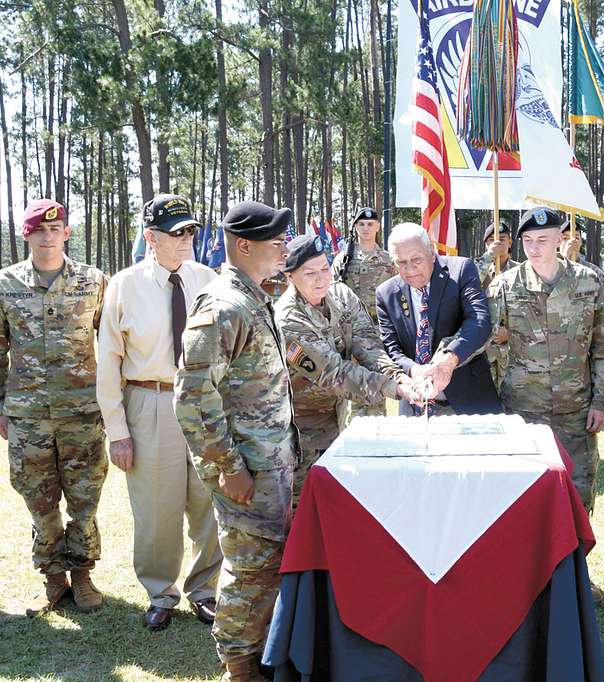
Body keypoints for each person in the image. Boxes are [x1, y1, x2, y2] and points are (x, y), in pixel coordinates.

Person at [173, 201, 299, 679]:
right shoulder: (224, 305)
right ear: (244, 246)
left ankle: (258, 657)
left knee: (265, 566)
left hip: (268, 464)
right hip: (246, 469)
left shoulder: (254, 295)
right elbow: (191, 398)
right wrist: (229, 466)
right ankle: (238, 667)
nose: (285, 248)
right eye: (277, 241)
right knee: (249, 570)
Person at [97, 194, 222, 632]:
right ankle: (160, 592)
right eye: (176, 232)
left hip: (204, 403)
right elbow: (108, 361)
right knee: (156, 508)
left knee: (208, 501)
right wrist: (118, 431)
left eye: (190, 230)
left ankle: (205, 591)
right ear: (150, 238)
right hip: (149, 401)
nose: (187, 238)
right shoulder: (124, 285)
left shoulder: (208, 279)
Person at [0, 199, 108, 617]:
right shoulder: (6, 284)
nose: (48, 237)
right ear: (26, 234)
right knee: (38, 499)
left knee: (85, 499)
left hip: (82, 412)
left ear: (67, 233)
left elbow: (114, 343)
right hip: (28, 415)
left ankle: (82, 574)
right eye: (38, 230)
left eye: (56, 229)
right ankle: (53, 578)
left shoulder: (93, 281)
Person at [489, 207, 604, 513]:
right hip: (524, 413)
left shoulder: (589, 282)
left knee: (578, 499)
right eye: (528, 240)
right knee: (526, 501)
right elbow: (486, 344)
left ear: (560, 239)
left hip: (576, 412)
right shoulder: (506, 285)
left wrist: (601, 402)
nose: (534, 248)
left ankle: (576, 562)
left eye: (542, 239)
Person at [275, 233, 416, 504]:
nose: (321, 279)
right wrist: (394, 389)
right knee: (300, 514)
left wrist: (398, 375)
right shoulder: (288, 319)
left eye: (325, 269)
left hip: (334, 425)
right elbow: (334, 374)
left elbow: (368, 343)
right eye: (310, 273)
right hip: (297, 439)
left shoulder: (341, 295)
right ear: (290, 277)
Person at [376, 223, 500, 416]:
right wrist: (414, 370)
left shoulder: (461, 270)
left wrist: (448, 361)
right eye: (401, 262)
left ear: (431, 253)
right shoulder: (386, 294)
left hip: (469, 402)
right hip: (415, 405)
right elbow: (391, 348)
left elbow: (479, 321)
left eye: (416, 259)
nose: (409, 269)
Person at [331, 207, 397, 419]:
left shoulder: (388, 261)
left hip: (378, 332)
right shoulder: (343, 260)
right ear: (355, 227)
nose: (366, 228)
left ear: (378, 226)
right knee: (351, 385)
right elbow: (331, 293)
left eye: (370, 224)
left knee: (378, 383)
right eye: (361, 224)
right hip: (348, 333)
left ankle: (378, 429)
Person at [475, 221, 519, 387]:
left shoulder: (522, 272)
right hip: (485, 351)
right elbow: (469, 289)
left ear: (510, 242)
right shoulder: (478, 270)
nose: (497, 243)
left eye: (502, 239)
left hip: (513, 351)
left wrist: (511, 333)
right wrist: (489, 258)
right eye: (491, 241)